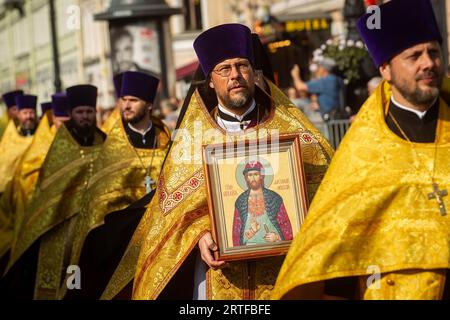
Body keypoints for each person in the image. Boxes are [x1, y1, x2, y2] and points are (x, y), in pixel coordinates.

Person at [122, 24, 332, 300]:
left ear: (254, 73)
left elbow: (328, 194)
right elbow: (171, 214)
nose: (235, 75)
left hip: (283, 272)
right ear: (210, 80)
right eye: (225, 69)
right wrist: (199, 235)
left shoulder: (291, 131)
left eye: (242, 66)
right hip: (218, 274)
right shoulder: (192, 140)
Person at [272, 0, 450, 300]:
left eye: (433, 51)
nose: (428, 63)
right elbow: (334, 241)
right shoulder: (363, 148)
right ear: (386, 70)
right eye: (414, 56)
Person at [59, 71, 170, 300]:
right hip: (119, 240)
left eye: (133, 100)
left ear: (148, 105)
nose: (126, 105)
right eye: (124, 99)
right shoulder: (112, 147)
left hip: (160, 233)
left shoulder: (166, 141)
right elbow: (99, 201)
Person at [1, 85, 106, 300]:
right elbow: (47, 190)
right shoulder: (60, 145)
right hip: (61, 229)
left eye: (89, 112)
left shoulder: (106, 143)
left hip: (96, 230)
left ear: (94, 113)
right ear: (71, 115)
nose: (85, 117)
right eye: (80, 112)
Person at [0, 93, 70, 273]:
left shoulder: (43, 140)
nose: (29, 116)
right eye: (24, 112)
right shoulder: (9, 141)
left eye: (31, 112)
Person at [233, 160, 292, 247]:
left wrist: (276, 237)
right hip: (249, 250)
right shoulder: (240, 201)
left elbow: (285, 226)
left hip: (274, 248)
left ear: (261, 176)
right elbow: (237, 232)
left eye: (256, 174)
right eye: (250, 175)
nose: (253, 179)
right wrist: (251, 232)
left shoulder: (274, 198)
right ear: (246, 178)